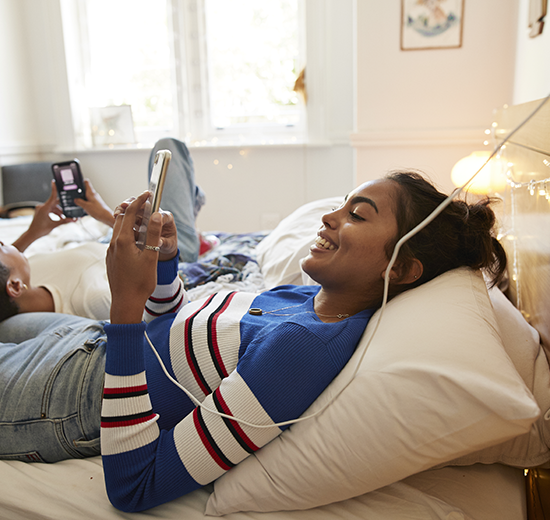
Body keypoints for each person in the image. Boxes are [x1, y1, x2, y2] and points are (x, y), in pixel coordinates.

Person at [0, 169, 507, 513]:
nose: (330, 218)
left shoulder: (299, 352)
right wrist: (163, 272)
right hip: (88, 342)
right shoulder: (306, 297)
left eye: (358, 215)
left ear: (400, 268)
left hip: (66, 397)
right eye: (342, 206)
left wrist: (125, 308)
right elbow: (173, 340)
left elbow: (135, 485)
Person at [0, 138, 207, 321]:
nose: (5, 243)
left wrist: (34, 231)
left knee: (184, 188)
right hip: (163, 252)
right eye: (1, 247)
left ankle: (193, 217)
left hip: (109, 240)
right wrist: (110, 217)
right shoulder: (92, 298)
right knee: (169, 146)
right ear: (15, 286)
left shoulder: (22, 280)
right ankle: (192, 231)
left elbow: (6, 269)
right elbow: (157, 300)